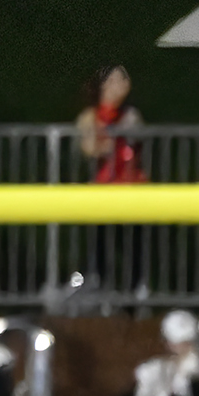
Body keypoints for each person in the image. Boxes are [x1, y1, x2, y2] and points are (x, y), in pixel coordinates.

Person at [77, 65, 146, 295]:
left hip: (130, 189)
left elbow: (138, 144)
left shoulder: (131, 116)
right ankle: (97, 286)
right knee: (100, 242)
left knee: (132, 243)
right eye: (115, 79)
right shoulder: (90, 116)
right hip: (102, 189)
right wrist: (104, 141)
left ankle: (134, 291)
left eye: (123, 79)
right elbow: (88, 149)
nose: (121, 84)